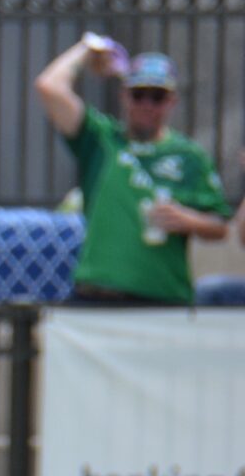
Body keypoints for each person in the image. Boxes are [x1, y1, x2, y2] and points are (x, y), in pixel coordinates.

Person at [34, 41, 230, 304]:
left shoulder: (189, 156)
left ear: (171, 101)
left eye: (157, 96)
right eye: (139, 94)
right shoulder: (101, 140)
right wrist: (88, 49)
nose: (147, 104)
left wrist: (187, 219)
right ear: (124, 96)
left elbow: (220, 226)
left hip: (162, 298)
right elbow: (49, 87)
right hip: (95, 294)